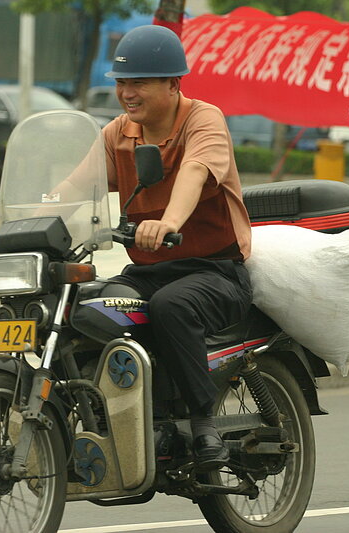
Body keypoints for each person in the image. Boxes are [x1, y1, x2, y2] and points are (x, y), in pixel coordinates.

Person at [102, 24, 253, 471]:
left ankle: (203, 423)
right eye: (122, 83)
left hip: (215, 271)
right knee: (94, 305)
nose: (128, 93)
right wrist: (36, 214)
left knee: (171, 306)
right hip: (150, 270)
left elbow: (195, 172)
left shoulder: (203, 121)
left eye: (139, 83)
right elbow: (81, 184)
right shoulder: (118, 134)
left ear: (173, 84)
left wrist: (167, 222)